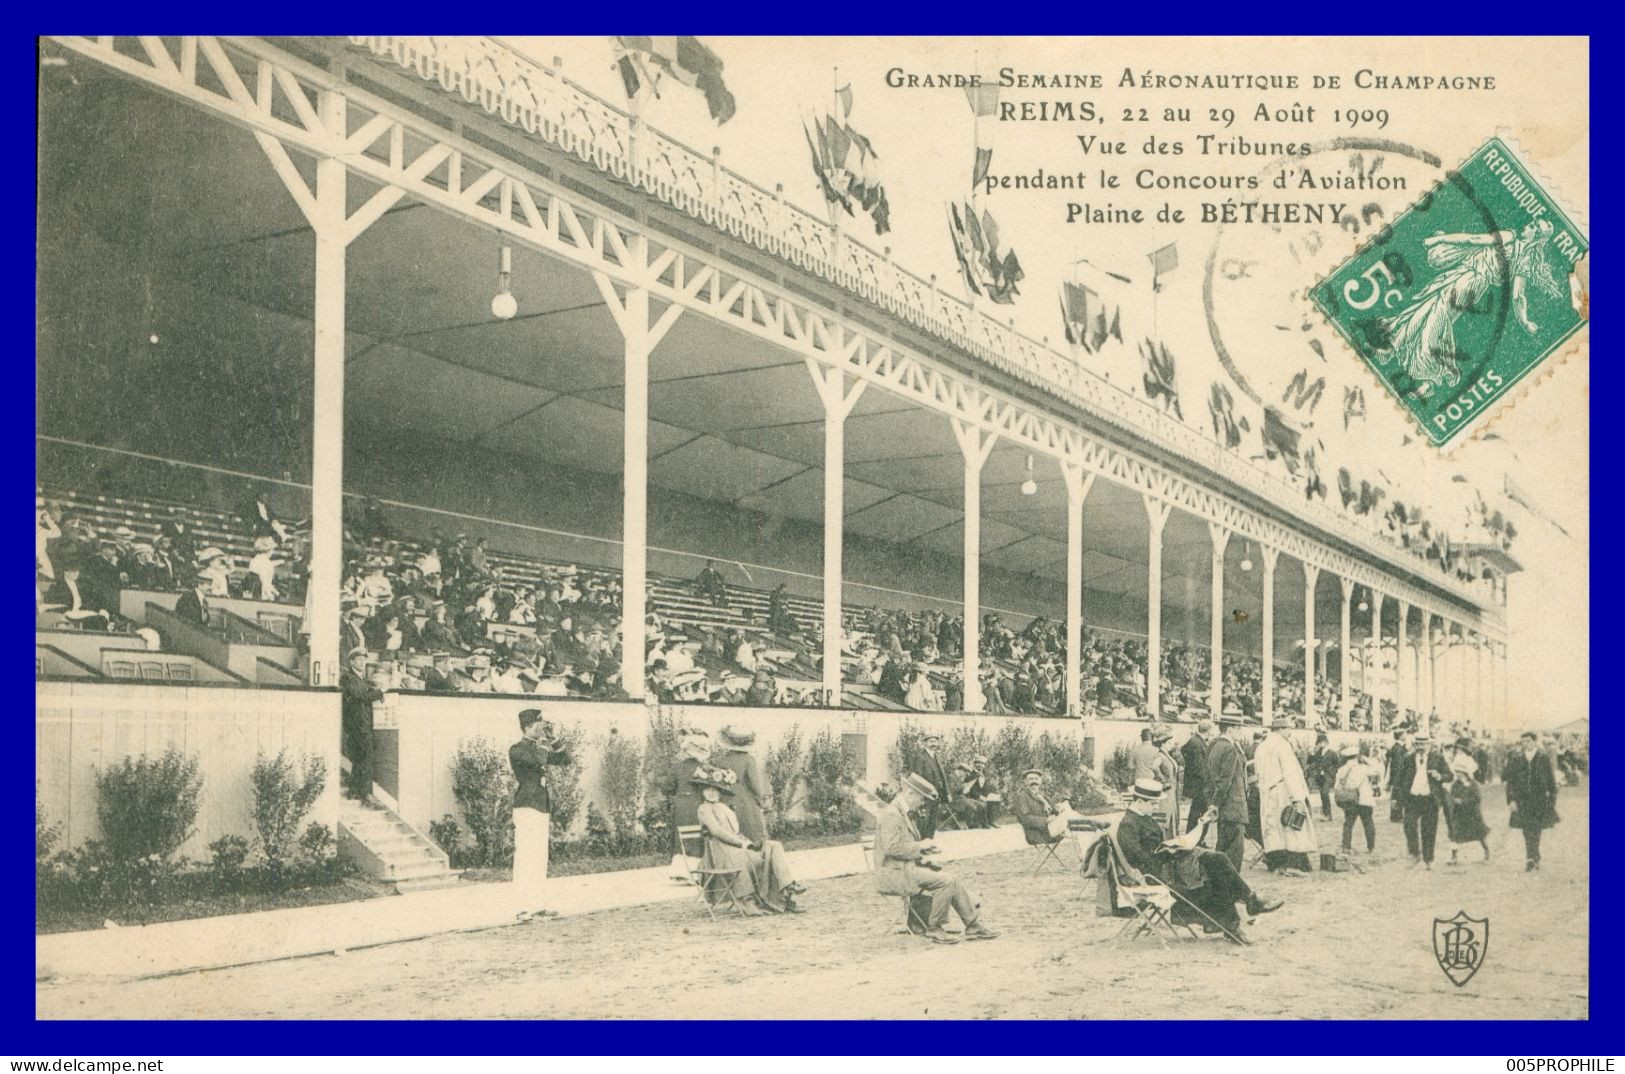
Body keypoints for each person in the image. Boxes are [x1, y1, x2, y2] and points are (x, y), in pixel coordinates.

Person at [1116, 778, 1282, 939]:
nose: (1156, 806)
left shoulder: (1142, 818)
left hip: (1170, 866)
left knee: (1216, 860)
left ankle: (1238, 916)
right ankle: (1241, 913)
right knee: (1215, 863)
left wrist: (1178, 845)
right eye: (1153, 803)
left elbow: (1155, 848)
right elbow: (1141, 860)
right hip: (1159, 876)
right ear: (1139, 802)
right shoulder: (1128, 825)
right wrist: (1170, 853)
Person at [872, 773, 999, 944]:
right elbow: (891, 848)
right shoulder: (891, 815)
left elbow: (902, 847)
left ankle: (972, 924)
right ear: (910, 794)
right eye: (921, 799)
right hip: (893, 875)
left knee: (952, 878)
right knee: (945, 881)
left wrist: (924, 852)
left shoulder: (900, 813)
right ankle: (935, 928)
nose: (922, 804)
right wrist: (920, 846)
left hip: (905, 869)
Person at [693, 767, 806, 915]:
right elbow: (716, 831)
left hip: (737, 849)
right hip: (721, 852)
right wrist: (741, 843)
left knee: (774, 846)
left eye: (715, 789)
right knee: (747, 858)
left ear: (721, 791)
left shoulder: (725, 808)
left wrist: (747, 843)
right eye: (708, 789)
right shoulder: (704, 809)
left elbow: (736, 832)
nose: (712, 793)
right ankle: (751, 903)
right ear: (702, 791)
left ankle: (787, 888)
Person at [509, 709, 569, 922]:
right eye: (538, 723)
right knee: (525, 857)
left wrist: (553, 738)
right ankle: (522, 906)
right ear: (527, 727)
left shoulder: (537, 747)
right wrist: (544, 741)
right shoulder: (517, 749)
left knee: (539, 857)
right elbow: (538, 761)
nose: (541, 726)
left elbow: (564, 759)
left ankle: (537, 904)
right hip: (526, 806)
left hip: (540, 806)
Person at [1253, 717, 1318, 873]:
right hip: (1283, 790)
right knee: (1290, 826)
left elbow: (1258, 772)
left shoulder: (1261, 747)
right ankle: (1294, 863)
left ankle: (1275, 861)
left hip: (1267, 791)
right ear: (1281, 729)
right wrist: (1298, 798)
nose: (1289, 732)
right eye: (1288, 729)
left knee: (1272, 828)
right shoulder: (1283, 746)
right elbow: (1290, 773)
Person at [1392, 732, 1452, 868]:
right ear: (1414, 745)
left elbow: (1450, 776)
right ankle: (1414, 854)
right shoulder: (1408, 759)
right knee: (1409, 826)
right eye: (1417, 744)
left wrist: (1439, 776)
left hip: (1430, 799)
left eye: (1423, 744)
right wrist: (1395, 798)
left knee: (1429, 830)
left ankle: (1428, 859)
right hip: (1412, 798)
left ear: (1429, 744)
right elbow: (1398, 780)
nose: (1420, 746)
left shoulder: (1438, 758)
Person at [1504, 730, 1559, 872]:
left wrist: (1552, 800)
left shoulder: (1543, 757)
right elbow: (1511, 781)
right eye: (1523, 742)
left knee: (1536, 828)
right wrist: (1511, 800)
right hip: (1522, 799)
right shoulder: (1517, 758)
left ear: (1535, 741)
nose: (1525, 744)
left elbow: (1550, 780)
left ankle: (1533, 856)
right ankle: (1531, 857)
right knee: (1526, 829)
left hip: (1539, 799)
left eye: (1528, 741)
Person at [663, 730, 712, 876]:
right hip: (698, 805)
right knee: (697, 836)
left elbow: (667, 787)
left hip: (681, 805)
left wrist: (679, 792)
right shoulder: (705, 768)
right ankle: (697, 871)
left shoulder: (678, 767)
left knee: (681, 836)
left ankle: (680, 871)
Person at [1207, 711, 1251, 871]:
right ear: (1230, 730)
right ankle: (1232, 889)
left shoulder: (1214, 746)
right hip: (1233, 807)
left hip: (1224, 808)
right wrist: (1215, 804)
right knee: (1234, 853)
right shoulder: (1229, 749)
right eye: (1239, 728)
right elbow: (1225, 781)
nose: (1241, 732)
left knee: (1222, 850)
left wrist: (1213, 803)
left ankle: (1218, 887)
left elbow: (1212, 778)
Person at [713, 725, 771, 842]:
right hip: (745, 805)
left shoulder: (720, 761)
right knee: (751, 837)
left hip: (725, 803)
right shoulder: (749, 760)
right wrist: (761, 801)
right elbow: (756, 786)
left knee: (730, 836)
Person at [339, 647, 382, 800]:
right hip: (356, 725)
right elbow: (361, 695)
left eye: (364, 659)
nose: (362, 662)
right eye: (358, 659)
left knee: (360, 759)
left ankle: (355, 791)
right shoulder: (349, 677)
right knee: (363, 758)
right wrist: (379, 692)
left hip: (361, 725)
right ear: (351, 662)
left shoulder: (360, 679)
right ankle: (365, 793)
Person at [1444, 736, 1491, 866]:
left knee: (1479, 834)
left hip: (1472, 813)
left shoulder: (1472, 785)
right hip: (1459, 813)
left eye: (1460, 772)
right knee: (1454, 834)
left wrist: (1464, 801)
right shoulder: (1456, 785)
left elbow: (1476, 799)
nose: (1458, 774)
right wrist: (1453, 801)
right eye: (1457, 772)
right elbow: (1452, 796)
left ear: (1465, 773)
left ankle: (1486, 851)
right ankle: (1454, 856)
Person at [1009, 768, 1089, 840]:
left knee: (1065, 805)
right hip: (1038, 833)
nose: (1034, 781)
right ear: (1025, 782)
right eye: (1031, 779)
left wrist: (1057, 809)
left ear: (1040, 781)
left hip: (1050, 828)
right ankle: (1088, 826)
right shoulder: (1022, 796)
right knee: (1071, 818)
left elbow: (1050, 813)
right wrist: (1047, 820)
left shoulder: (1042, 796)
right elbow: (1025, 819)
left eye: (1036, 779)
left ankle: (1085, 828)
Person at [1333, 742, 1382, 854]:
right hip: (1364, 799)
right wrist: (1367, 760)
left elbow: (1337, 785)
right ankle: (1370, 847)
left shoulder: (1341, 769)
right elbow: (1378, 770)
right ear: (1357, 756)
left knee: (1348, 824)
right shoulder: (1363, 768)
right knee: (1368, 823)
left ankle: (1346, 847)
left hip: (1350, 800)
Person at [914, 732, 954, 838]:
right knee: (924, 820)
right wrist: (929, 790)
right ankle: (923, 844)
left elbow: (943, 776)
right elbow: (919, 778)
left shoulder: (937, 756)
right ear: (925, 743)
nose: (934, 744)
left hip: (937, 794)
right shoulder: (920, 757)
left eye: (935, 741)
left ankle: (930, 842)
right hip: (926, 794)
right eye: (931, 741)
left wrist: (947, 793)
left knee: (933, 820)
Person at [1180, 721, 1213, 833]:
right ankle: (1195, 838)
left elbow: (1183, 750)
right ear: (1208, 731)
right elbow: (1199, 767)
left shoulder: (1195, 740)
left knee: (1198, 812)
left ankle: (1196, 838)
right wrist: (1208, 781)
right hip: (1200, 786)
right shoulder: (1197, 742)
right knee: (1199, 813)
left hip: (1198, 785)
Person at [1306, 732, 1340, 821]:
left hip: (1329, 776)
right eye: (1319, 743)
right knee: (1322, 794)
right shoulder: (1318, 753)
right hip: (1320, 777)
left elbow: (1337, 764)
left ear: (1325, 742)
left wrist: (1332, 773)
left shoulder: (1332, 753)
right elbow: (1310, 762)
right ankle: (1326, 814)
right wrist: (1311, 754)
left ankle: (1328, 815)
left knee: (1325, 792)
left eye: (1320, 743)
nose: (1320, 745)